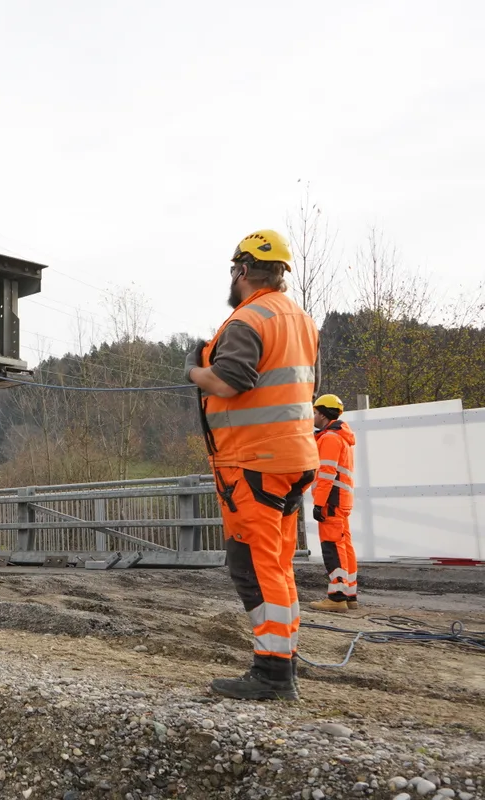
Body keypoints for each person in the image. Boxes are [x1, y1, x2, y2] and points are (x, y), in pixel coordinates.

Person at [185, 229, 320, 701]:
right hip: (293, 458)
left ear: (242, 270)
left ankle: (273, 674)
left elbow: (231, 381)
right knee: (276, 564)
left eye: (233, 270)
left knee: (254, 567)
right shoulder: (299, 319)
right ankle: (282, 660)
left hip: (254, 462)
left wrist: (194, 370)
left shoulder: (248, 318)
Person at [309, 394, 358, 612]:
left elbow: (327, 473)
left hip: (331, 500)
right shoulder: (340, 437)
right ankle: (349, 595)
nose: (312, 416)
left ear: (322, 414)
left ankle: (337, 597)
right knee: (344, 546)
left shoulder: (330, 438)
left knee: (332, 546)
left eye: (314, 412)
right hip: (341, 500)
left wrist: (318, 503)